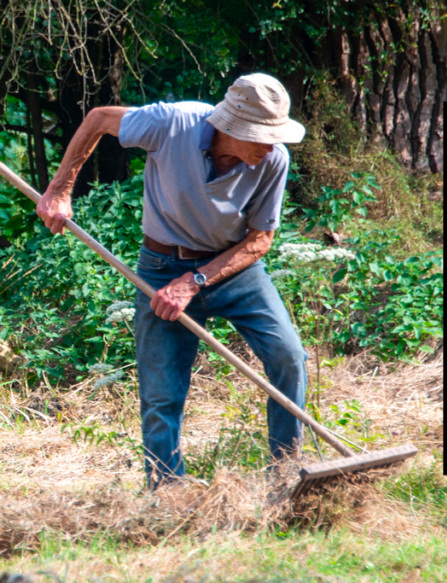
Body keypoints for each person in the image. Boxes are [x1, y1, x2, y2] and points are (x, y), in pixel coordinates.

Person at [35, 73, 309, 488]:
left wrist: (196, 281)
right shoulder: (173, 123)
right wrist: (59, 189)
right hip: (161, 269)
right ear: (231, 126)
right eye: (262, 135)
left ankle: (287, 479)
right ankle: (167, 493)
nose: (271, 145)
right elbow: (97, 119)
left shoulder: (273, 160)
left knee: (289, 357)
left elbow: (260, 241)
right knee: (161, 392)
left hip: (234, 270)